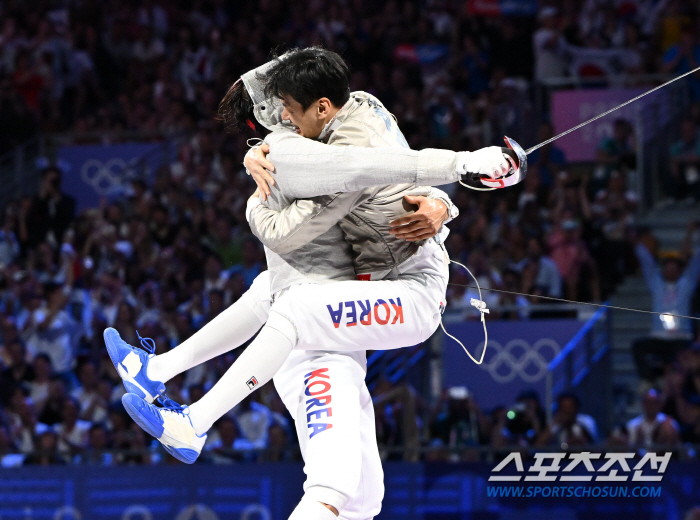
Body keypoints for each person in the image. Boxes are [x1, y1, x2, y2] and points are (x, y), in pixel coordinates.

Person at [109, 49, 517, 520]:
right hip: (371, 283)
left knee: (297, 308)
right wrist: (252, 152)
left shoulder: (340, 149)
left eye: (289, 107)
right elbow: (303, 77)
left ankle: (194, 424)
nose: (280, 116)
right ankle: (155, 371)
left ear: (322, 107)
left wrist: (462, 170)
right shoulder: (357, 101)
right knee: (363, 497)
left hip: (410, 295)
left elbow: (380, 169)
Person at [632, 222, 700, 382]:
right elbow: (646, 262)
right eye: (667, 268)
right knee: (638, 346)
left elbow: (696, 261)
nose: (670, 271)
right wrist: (634, 240)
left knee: (688, 355)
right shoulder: (656, 284)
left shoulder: (686, 284)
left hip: (681, 337)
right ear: (663, 271)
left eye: (673, 268)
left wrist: (690, 233)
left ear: (679, 271)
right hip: (658, 337)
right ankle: (647, 380)